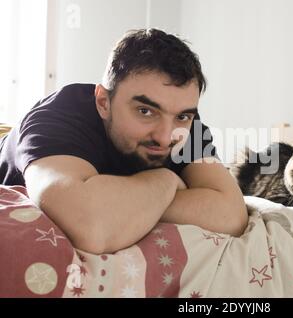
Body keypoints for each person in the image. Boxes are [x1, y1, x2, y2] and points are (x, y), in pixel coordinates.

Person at [0, 28, 248, 254]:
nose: (165, 137)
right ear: (103, 102)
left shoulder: (187, 128)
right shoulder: (60, 116)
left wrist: (125, 204)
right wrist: (167, 181)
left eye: (182, 116)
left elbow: (231, 215)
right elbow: (91, 227)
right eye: (145, 111)